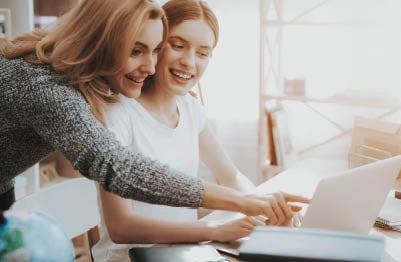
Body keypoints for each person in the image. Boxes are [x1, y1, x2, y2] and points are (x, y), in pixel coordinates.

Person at [0, 0, 308, 221]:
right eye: (136, 50)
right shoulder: (46, 86)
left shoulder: (71, 68)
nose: (149, 67)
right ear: (101, 41)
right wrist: (242, 202)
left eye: (155, 50)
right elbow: (119, 168)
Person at [92, 1, 289, 259]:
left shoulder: (189, 108)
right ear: (157, 44)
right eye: (178, 45)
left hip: (184, 254)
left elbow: (231, 176)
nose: (189, 61)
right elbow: (121, 227)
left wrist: (266, 208)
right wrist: (212, 229)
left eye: (203, 52)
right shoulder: (119, 115)